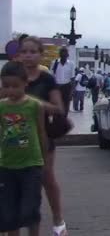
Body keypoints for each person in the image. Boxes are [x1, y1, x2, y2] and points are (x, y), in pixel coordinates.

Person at [18, 37, 69, 236]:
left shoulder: (46, 78)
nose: (28, 55)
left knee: (46, 178)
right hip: (15, 137)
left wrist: (29, 101)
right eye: (24, 52)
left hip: (41, 135)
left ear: (40, 54)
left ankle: (58, 219)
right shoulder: (13, 76)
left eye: (32, 52)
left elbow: (58, 108)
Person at [0, 61, 48, 236]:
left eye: (15, 86)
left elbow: (42, 133)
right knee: (9, 213)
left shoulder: (35, 106)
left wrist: (44, 161)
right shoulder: (1, 106)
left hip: (31, 166)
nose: (11, 90)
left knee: (30, 211)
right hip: (6, 166)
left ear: (25, 83)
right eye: (6, 86)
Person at [51, 47, 75, 116]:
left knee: (66, 107)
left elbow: (72, 78)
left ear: (67, 55)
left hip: (66, 87)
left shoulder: (71, 64)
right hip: (56, 87)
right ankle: (56, 122)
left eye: (65, 53)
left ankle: (64, 121)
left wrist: (72, 92)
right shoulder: (54, 63)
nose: (64, 55)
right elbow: (51, 76)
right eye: (62, 53)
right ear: (59, 54)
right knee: (56, 106)